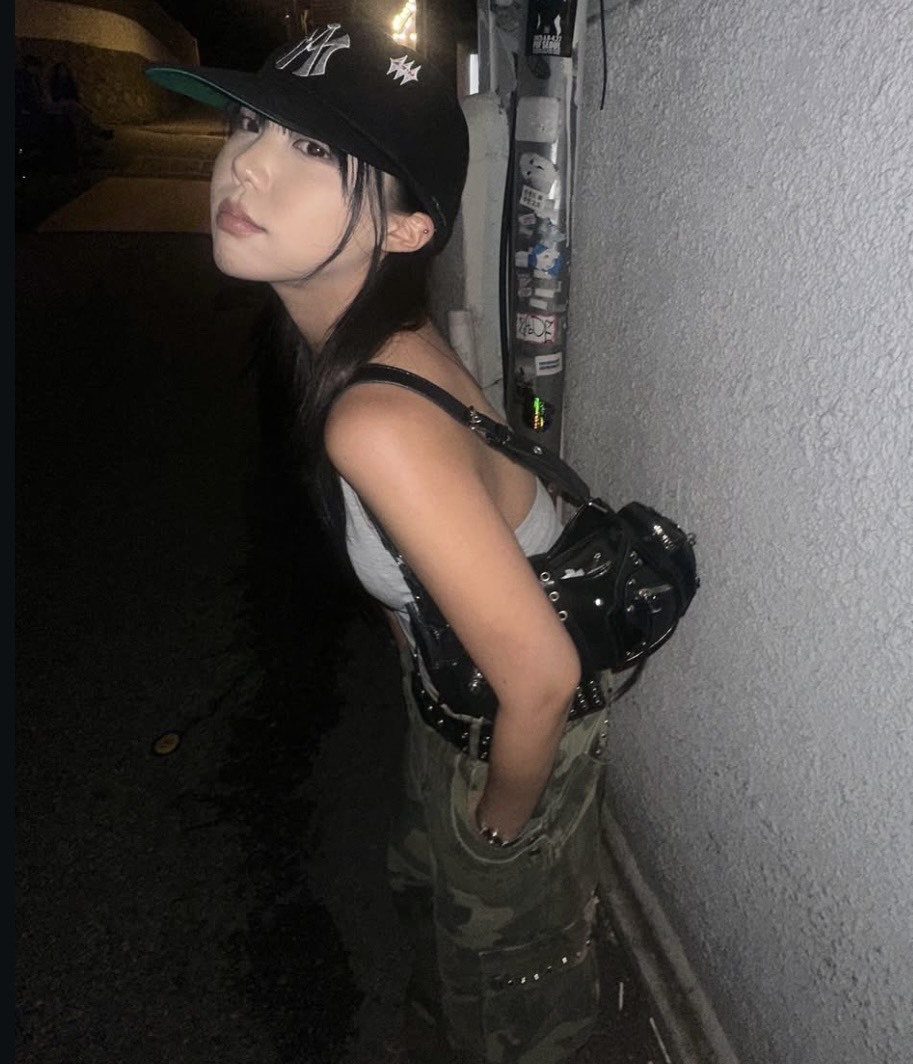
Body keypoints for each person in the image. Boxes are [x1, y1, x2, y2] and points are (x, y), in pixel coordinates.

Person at [147, 20, 610, 1064]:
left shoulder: (374, 419)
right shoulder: (374, 339)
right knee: (432, 922)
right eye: (252, 124)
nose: (246, 164)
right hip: (457, 693)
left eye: (314, 148)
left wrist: (496, 837)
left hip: (512, 727)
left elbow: (540, 679)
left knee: (510, 1005)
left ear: (406, 230)